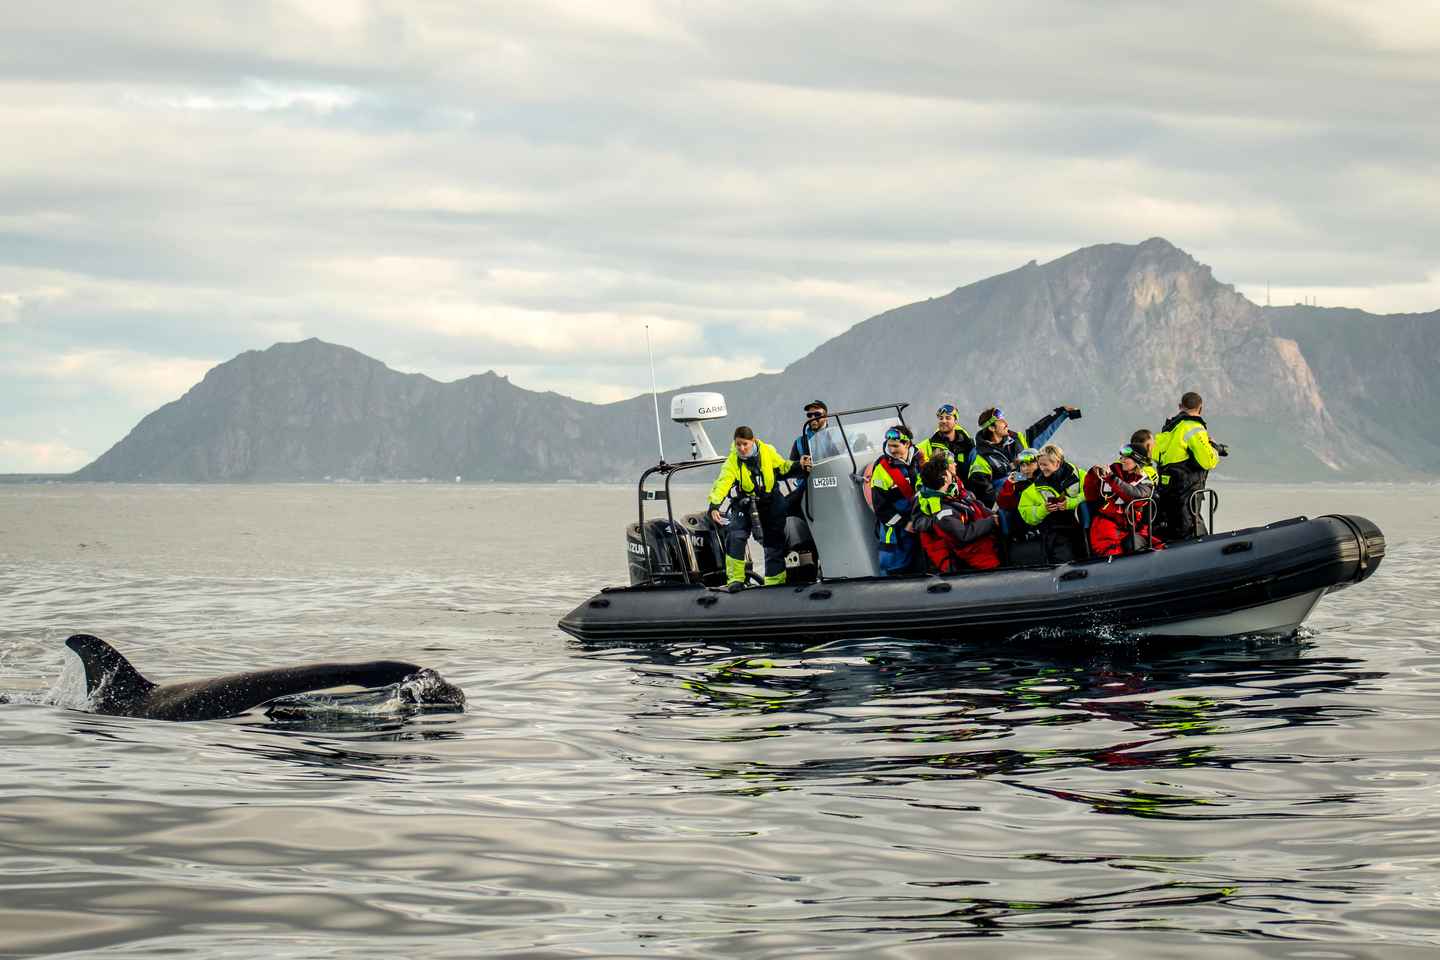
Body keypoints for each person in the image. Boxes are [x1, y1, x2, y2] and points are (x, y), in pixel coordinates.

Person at [708, 426, 811, 589]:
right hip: (745, 505)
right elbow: (722, 484)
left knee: (773, 543)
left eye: (745, 444)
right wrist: (714, 505)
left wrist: (800, 465)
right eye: (738, 444)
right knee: (735, 535)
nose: (741, 448)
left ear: (753, 441)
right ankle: (735, 580)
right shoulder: (732, 462)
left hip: (770, 503)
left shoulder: (767, 451)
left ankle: (774, 582)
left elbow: (783, 467)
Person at [968, 403, 1081, 508]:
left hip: (1028, 483)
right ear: (992, 428)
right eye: (1001, 421)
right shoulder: (980, 457)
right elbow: (983, 492)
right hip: (1008, 499)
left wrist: (1062, 413)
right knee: (1013, 479)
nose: (1006, 423)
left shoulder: (1016, 439)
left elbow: (1040, 431)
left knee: (1057, 469)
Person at [1153, 392, 1225, 540]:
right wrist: (1215, 449)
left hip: (1166, 489)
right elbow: (1208, 461)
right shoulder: (1195, 428)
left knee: (1172, 526)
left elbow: (1156, 454)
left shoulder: (1169, 428)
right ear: (1201, 409)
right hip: (1187, 490)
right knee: (1189, 528)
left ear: (1180, 407)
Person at [913, 454, 1001, 572]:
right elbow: (963, 535)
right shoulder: (942, 510)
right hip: (977, 556)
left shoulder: (954, 494)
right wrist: (991, 522)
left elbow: (976, 506)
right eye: (948, 471)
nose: (954, 466)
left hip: (986, 545)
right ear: (944, 478)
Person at [1084, 444, 1163, 557]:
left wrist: (1112, 479)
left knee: (1155, 547)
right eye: (1121, 457)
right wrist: (1092, 476)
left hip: (1133, 527)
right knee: (1114, 554)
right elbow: (1091, 496)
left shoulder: (1146, 482)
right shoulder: (1111, 472)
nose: (1122, 460)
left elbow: (1136, 496)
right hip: (1107, 527)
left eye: (1126, 458)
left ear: (1137, 460)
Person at [1017, 443, 1087, 562]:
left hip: (1080, 527)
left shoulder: (1080, 475)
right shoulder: (1030, 491)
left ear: (1057, 463)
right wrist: (1044, 509)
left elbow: (1090, 494)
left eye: (1045, 464)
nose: (1042, 468)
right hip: (1055, 532)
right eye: (1040, 465)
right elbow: (1027, 515)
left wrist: (1070, 503)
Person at [869, 426, 921, 575]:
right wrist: (905, 524)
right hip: (895, 533)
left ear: (907, 444)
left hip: (918, 524)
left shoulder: (919, 461)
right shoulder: (882, 470)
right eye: (889, 445)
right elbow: (881, 508)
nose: (892, 450)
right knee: (893, 570)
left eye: (896, 446)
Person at [786, 400, 839, 517]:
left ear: (826, 417)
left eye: (817, 415)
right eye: (810, 415)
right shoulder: (800, 442)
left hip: (834, 484)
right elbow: (790, 468)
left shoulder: (837, 436)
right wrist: (800, 466)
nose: (813, 418)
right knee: (783, 508)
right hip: (808, 486)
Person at [916, 403, 974, 468]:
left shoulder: (968, 445)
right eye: (941, 418)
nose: (943, 421)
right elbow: (909, 453)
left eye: (948, 418)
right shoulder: (929, 444)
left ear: (956, 421)